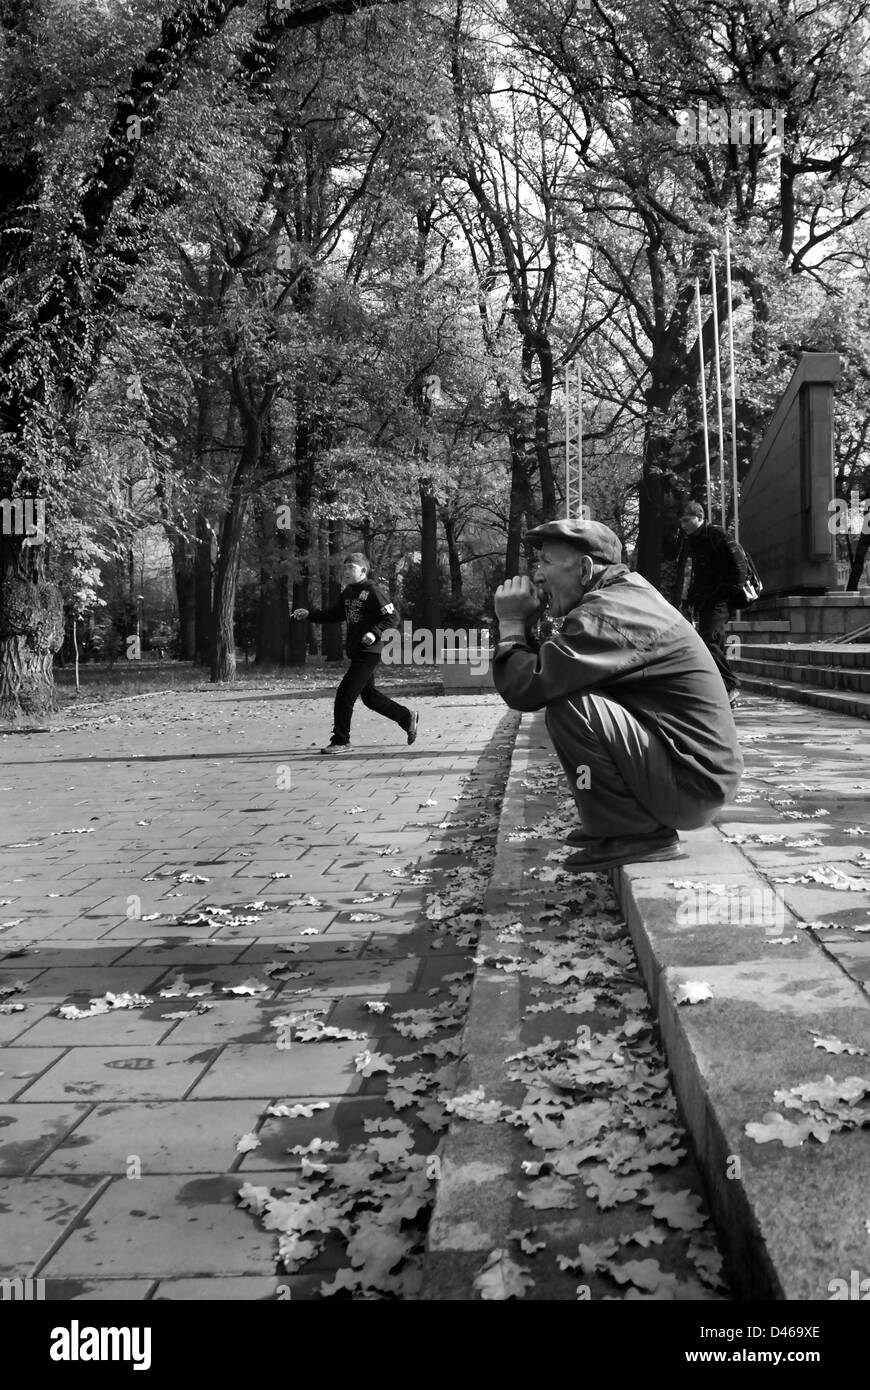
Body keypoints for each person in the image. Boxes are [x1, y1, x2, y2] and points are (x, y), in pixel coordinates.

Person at [491, 519, 743, 872]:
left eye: (546, 562)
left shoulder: (612, 614)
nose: (537, 576)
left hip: (693, 785)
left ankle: (635, 834)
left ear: (584, 568)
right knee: (572, 698)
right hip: (694, 775)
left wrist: (511, 625)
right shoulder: (620, 599)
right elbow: (554, 672)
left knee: (571, 709)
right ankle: (615, 827)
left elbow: (528, 688)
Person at [291, 553, 419, 755]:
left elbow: (393, 616)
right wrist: (310, 615)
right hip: (357, 651)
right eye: (345, 568)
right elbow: (334, 614)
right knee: (369, 698)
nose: (347, 571)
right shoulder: (348, 592)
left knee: (345, 695)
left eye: (351, 567)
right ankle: (406, 717)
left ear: (363, 570)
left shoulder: (373, 591)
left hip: (369, 651)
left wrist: (374, 633)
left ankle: (341, 740)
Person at [676, 501, 747, 705]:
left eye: (688, 520)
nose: (684, 525)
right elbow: (699, 573)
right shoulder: (694, 541)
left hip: (721, 597)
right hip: (707, 598)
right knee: (712, 641)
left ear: (700, 517)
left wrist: (725, 594)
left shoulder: (717, 535)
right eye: (682, 521)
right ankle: (722, 690)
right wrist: (689, 600)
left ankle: (730, 685)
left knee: (709, 639)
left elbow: (739, 567)